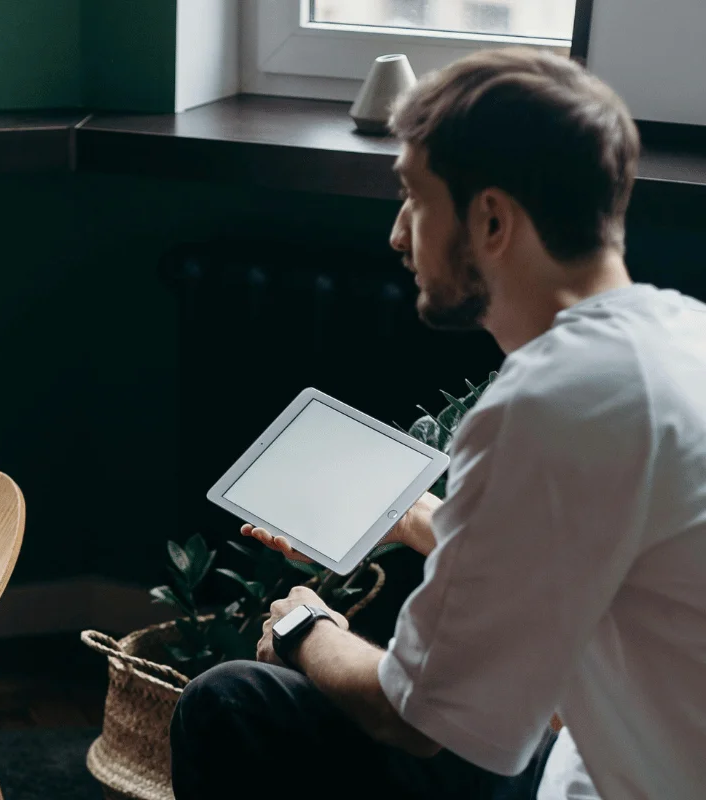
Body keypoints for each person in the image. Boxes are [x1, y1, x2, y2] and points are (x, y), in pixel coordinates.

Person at [171, 48, 706, 800]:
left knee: (231, 702)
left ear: (490, 219)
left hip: (599, 781)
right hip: (618, 753)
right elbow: (588, 553)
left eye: (414, 200)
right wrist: (425, 519)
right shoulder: (681, 337)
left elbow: (415, 717)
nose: (397, 235)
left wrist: (303, 629)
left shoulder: (548, 401)